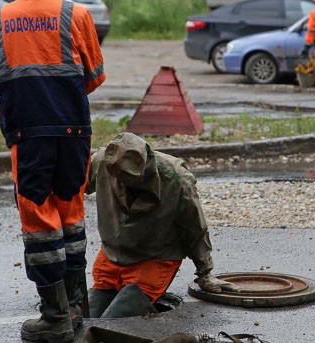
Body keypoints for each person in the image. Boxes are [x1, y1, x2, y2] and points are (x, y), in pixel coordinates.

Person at [0, 0, 105, 341]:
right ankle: (73, 306)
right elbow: (95, 77)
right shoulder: (77, 13)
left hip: (28, 134)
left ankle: (54, 320)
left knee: (39, 223)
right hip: (73, 132)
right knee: (71, 215)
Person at [85, 132, 240, 318]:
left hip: (155, 257)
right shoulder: (103, 162)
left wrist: (204, 272)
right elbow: (71, 190)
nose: (123, 185)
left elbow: (195, 228)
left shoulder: (176, 180)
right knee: (87, 318)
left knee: (115, 320)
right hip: (113, 254)